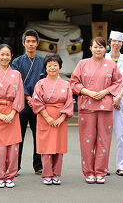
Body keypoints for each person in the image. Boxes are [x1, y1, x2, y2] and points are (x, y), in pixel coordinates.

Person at [70, 37, 122, 184]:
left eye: (101, 47)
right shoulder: (82, 64)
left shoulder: (111, 65)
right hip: (87, 105)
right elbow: (74, 82)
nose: (98, 49)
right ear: (90, 48)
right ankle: (88, 172)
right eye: (95, 47)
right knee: (87, 140)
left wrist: (105, 92)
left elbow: (117, 81)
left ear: (105, 49)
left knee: (104, 140)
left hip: (105, 105)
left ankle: (100, 172)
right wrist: (88, 92)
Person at [0, 44, 24, 188]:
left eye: (7, 55)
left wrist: (13, 112)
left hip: (12, 112)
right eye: (2, 54)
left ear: (11, 56)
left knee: (13, 147)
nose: (5, 57)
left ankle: (10, 176)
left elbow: (19, 95)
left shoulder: (17, 74)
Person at [31, 54, 73, 185]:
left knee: (58, 147)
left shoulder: (66, 84)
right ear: (45, 68)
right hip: (45, 117)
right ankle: (47, 173)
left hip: (61, 117)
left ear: (60, 67)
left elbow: (69, 102)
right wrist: (47, 117)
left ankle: (56, 173)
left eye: (55, 65)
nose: (52, 67)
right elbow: (37, 101)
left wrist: (62, 117)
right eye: (49, 65)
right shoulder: (40, 83)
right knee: (46, 146)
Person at [12, 29, 46, 175]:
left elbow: (45, 81)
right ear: (23, 43)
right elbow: (17, 82)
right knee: (18, 137)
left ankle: (38, 165)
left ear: (37, 43)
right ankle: (15, 166)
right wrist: (27, 97)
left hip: (38, 104)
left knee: (38, 135)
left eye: (33, 41)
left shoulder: (43, 61)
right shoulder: (17, 62)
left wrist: (36, 98)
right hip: (21, 103)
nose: (31, 44)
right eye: (28, 41)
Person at [105, 31, 123, 176]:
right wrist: (111, 97)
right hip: (105, 101)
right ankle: (103, 166)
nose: (116, 44)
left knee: (121, 135)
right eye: (114, 41)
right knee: (104, 135)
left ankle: (122, 166)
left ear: (122, 43)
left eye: (119, 41)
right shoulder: (103, 57)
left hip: (120, 101)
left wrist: (118, 97)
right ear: (110, 42)